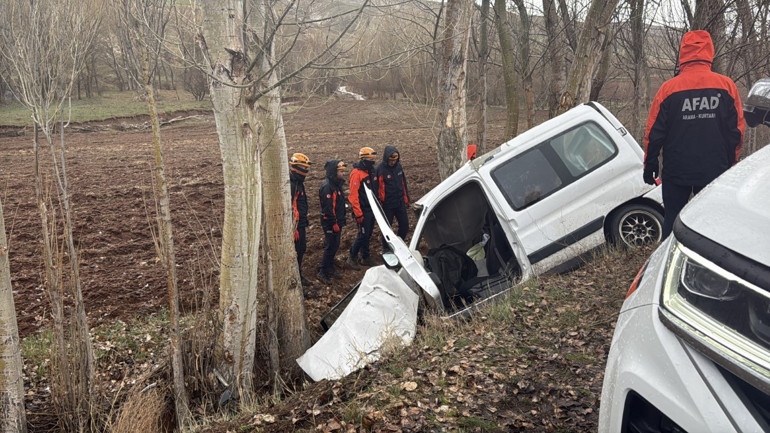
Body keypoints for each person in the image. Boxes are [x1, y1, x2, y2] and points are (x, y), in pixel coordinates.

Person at [644, 29, 744, 239]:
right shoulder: (726, 86)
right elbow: (735, 132)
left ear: (683, 54)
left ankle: (668, 263)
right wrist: (732, 163)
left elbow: (654, 133)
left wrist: (650, 164)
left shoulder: (668, 89)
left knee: (671, 220)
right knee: (709, 224)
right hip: (714, 168)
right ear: (709, 53)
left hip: (676, 170)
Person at [347, 147, 378, 269]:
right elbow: (353, 196)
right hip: (362, 210)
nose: (373, 161)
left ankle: (365, 257)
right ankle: (352, 256)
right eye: (370, 159)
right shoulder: (357, 174)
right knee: (362, 234)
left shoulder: (371, 171)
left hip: (372, 209)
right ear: (364, 159)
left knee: (368, 233)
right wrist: (358, 213)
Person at [375, 145, 410, 250]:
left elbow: (403, 184)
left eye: (395, 160)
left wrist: (406, 199)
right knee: (387, 230)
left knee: (405, 226)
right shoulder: (380, 170)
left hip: (399, 203)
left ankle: (398, 245)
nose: (393, 162)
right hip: (387, 205)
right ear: (386, 158)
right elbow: (377, 189)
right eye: (391, 160)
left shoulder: (399, 167)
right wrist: (380, 205)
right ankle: (386, 249)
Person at [318, 159, 348, 284]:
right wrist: (334, 223)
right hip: (330, 222)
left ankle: (330, 268)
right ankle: (322, 272)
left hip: (337, 221)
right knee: (330, 246)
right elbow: (328, 208)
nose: (343, 174)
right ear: (334, 172)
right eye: (341, 171)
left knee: (335, 245)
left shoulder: (337, 185)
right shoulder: (327, 187)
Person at [289, 153, 312, 286]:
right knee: (297, 250)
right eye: (305, 169)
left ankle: (298, 274)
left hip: (300, 223)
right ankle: (294, 277)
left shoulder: (298, 182)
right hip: (296, 226)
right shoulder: (292, 185)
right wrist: (294, 227)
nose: (306, 173)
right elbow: (290, 207)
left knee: (302, 249)